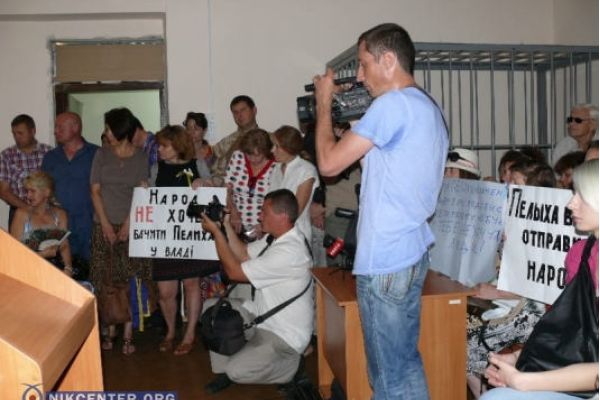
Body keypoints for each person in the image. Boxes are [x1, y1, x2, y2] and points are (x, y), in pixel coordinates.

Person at [313, 23, 448, 399]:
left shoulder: (391, 105)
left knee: (387, 377)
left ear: (388, 60)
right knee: (404, 364)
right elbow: (376, 162)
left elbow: (328, 164)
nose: (359, 75)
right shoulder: (425, 106)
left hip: (386, 259)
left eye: (363, 63)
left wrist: (323, 104)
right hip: (411, 251)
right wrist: (352, 116)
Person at [482, 159, 599, 400]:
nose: (571, 203)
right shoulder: (582, 254)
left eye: (582, 195)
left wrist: (524, 381)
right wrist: (519, 357)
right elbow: (570, 328)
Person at [200, 189, 314, 394]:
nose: (259, 216)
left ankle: (291, 368)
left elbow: (234, 272)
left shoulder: (289, 251)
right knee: (212, 309)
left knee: (237, 371)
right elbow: (244, 254)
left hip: (284, 336)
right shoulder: (277, 238)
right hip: (262, 315)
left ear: (282, 217)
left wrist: (216, 233)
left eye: (264, 212)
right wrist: (226, 225)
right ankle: (223, 371)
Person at [90, 107, 152, 356]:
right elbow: (95, 190)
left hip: (131, 226)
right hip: (102, 225)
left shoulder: (141, 157)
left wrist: (128, 224)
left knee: (130, 280)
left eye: (109, 128)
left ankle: (128, 334)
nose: (106, 132)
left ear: (121, 130)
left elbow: (142, 192)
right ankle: (109, 330)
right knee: (104, 279)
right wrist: (105, 224)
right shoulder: (101, 154)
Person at [149, 125, 214, 356]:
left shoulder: (198, 165)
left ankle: (190, 334)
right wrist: (145, 189)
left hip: (191, 236)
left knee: (191, 284)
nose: (159, 149)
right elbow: (150, 199)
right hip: (165, 237)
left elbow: (213, 187)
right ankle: (170, 331)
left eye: (164, 145)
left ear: (177, 146)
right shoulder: (156, 168)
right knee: (165, 292)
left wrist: (204, 184)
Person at [42, 112, 98, 262]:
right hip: (57, 224)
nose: (55, 131)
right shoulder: (50, 157)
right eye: (55, 127)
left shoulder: (96, 154)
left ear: (75, 127)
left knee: (90, 267)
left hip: (88, 224)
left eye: (60, 127)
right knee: (59, 269)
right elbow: (43, 189)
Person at [10, 171, 72, 276]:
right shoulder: (22, 214)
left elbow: (64, 245)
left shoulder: (60, 214)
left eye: (32, 191)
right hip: (26, 269)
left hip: (54, 268)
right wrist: (43, 254)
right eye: (27, 191)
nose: (28, 196)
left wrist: (68, 268)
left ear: (47, 192)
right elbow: (15, 253)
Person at [0, 114, 52, 227]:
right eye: (14, 134)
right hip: (18, 210)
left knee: (48, 239)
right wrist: (28, 208)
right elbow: (3, 191)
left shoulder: (49, 152)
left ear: (33, 131)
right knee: (16, 239)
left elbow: (54, 184)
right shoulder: (7, 155)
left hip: (46, 211)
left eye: (20, 133)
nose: (16, 137)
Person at [269, 125, 319, 242]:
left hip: (296, 234)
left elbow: (296, 211)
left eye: (277, 147)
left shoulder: (306, 170)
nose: (272, 150)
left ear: (289, 148)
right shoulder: (276, 168)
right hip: (274, 232)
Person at [210, 95, 260, 186]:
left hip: (258, 189)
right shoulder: (225, 143)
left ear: (254, 110)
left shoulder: (268, 140)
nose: (239, 115)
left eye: (243, 110)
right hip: (227, 189)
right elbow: (211, 168)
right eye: (235, 112)